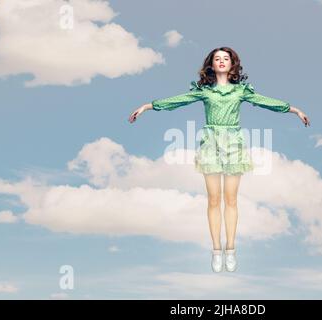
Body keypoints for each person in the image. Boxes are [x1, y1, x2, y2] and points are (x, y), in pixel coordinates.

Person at [128, 47, 311, 273]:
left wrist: (293, 110)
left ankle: (231, 249)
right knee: (214, 200)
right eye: (217, 58)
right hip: (211, 144)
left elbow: (264, 101)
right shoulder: (204, 91)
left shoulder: (240, 91)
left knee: (231, 200)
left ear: (232, 64)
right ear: (211, 65)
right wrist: (148, 106)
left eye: (226, 58)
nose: (222, 61)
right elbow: (179, 100)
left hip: (234, 144)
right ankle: (216, 250)